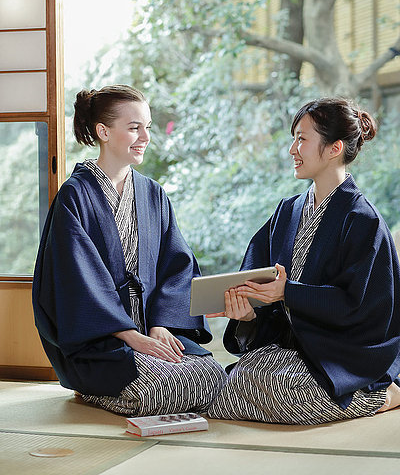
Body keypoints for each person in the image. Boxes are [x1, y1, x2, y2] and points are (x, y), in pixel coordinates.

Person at [33, 84, 226, 416]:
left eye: (147, 127)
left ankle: (123, 379)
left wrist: (162, 325)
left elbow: (177, 267)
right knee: (153, 389)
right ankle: (94, 383)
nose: (145, 137)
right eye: (134, 127)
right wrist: (129, 336)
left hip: (152, 326)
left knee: (214, 376)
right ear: (104, 131)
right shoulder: (74, 196)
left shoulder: (153, 194)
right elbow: (76, 282)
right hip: (101, 339)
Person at [207, 97, 400, 425]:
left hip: (340, 354)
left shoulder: (362, 219)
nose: (292, 150)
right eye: (293, 139)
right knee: (220, 389)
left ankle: (382, 393)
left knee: (282, 393)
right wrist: (248, 310)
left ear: (334, 148)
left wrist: (288, 293)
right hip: (292, 347)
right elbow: (260, 278)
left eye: (302, 139)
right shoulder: (288, 210)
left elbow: (358, 306)